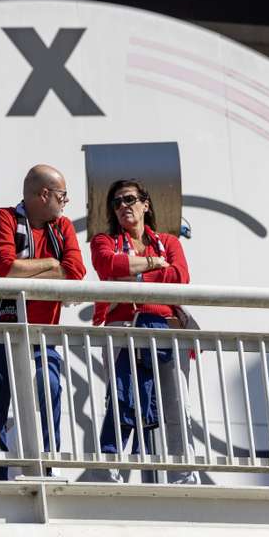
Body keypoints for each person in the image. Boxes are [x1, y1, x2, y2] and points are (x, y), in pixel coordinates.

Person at [0, 164, 86, 480]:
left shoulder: (62, 228)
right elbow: (2, 269)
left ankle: (46, 468)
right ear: (44, 194)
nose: (66, 202)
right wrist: (52, 264)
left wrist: (27, 270)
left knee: (49, 385)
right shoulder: (5, 218)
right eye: (63, 195)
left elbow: (76, 271)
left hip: (39, 336)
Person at [90, 178, 198, 484]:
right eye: (116, 202)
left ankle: (183, 475)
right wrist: (154, 263)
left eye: (129, 199)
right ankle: (110, 472)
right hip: (124, 329)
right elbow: (107, 265)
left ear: (145, 204)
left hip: (165, 329)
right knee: (122, 400)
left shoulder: (169, 241)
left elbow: (180, 276)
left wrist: (134, 272)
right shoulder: (104, 241)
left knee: (176, 403)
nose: (123, 206)